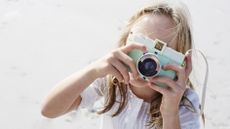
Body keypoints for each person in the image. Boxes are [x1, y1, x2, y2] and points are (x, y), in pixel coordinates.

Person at [41, 0, 201, 129]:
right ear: (125, 43)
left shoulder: (184, 102)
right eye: (141, 43)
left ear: (180, 60)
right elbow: (49, 110)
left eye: (160, 51)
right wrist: (94, 70)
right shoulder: (112, 80)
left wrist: (170, 112)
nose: (147, 60)